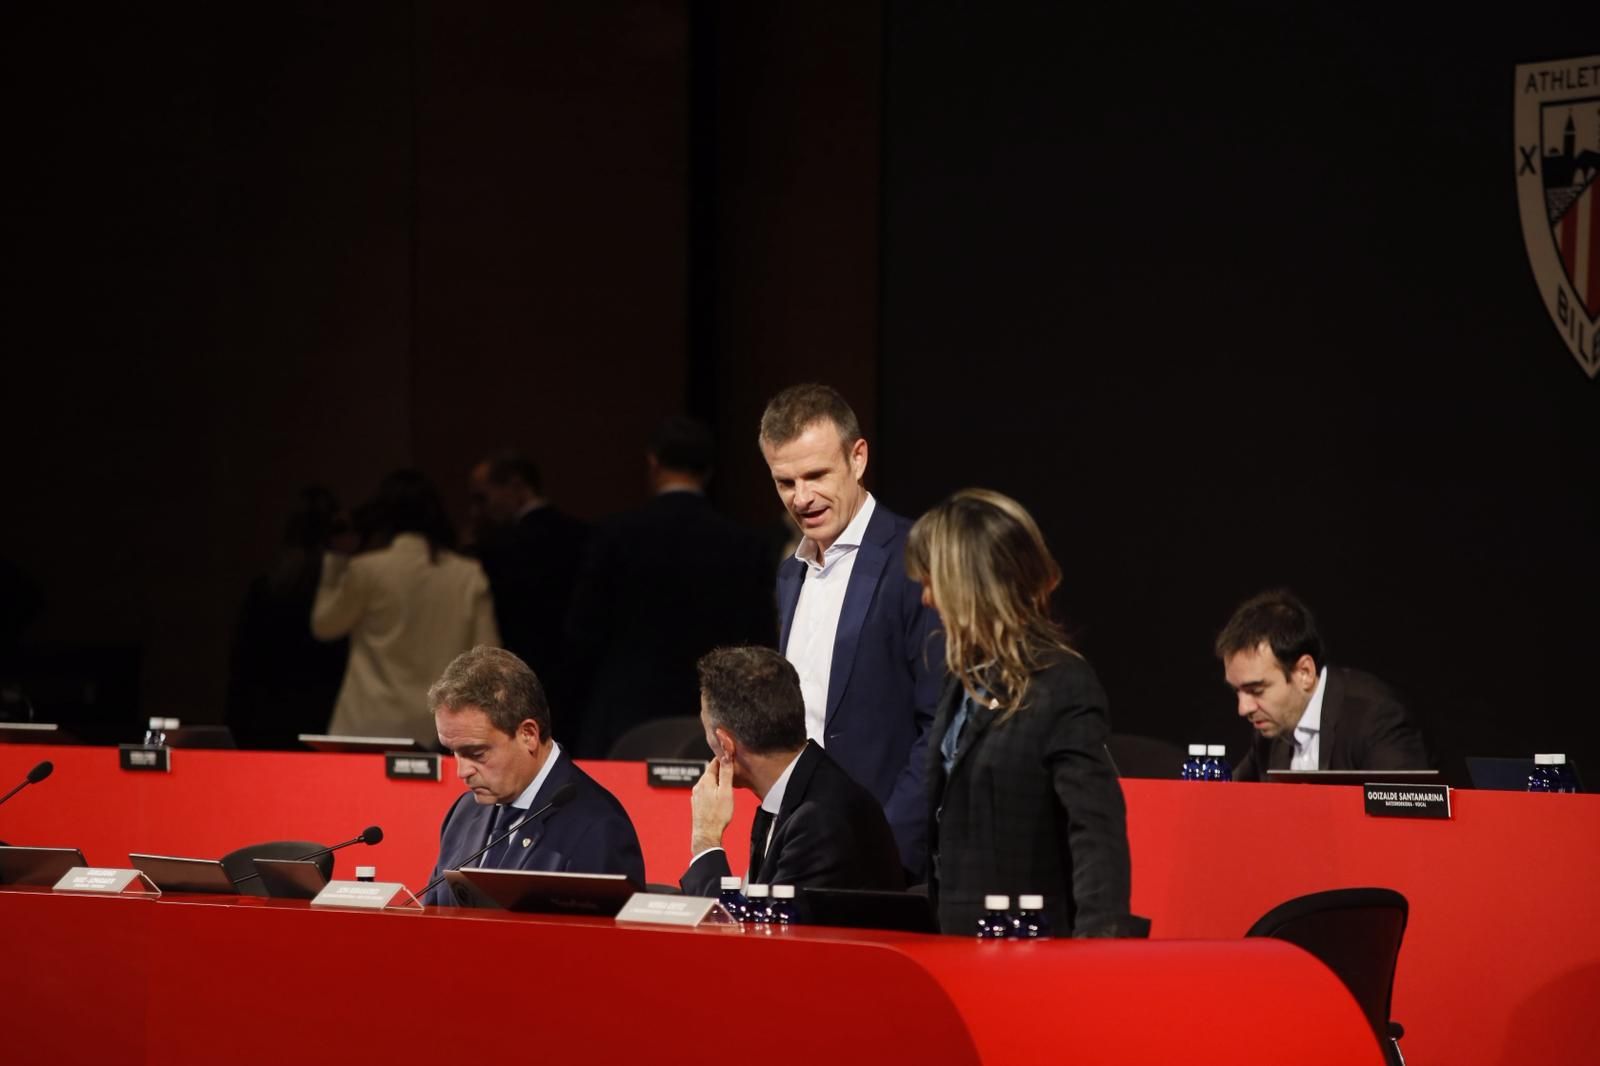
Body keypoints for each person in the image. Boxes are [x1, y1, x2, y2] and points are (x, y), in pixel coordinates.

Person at [907, 488, 1134, 937]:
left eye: (933, 581)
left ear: (970, 585)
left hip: (1027, 948)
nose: (926, 598)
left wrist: (1100, 958)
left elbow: (1096, 836)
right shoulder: (959, 678)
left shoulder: (1061, 682)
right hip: (955, 942)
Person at [759, 384, 942, 881]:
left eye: (817, 475)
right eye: (785, 482)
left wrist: (889, 849)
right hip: (802, 854)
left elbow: (939, 727)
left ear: (858, 458)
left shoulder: (916, 560)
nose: (801, 498)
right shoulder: (790, 574)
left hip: (888, 860)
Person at [566, 416, 776, 756]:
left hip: (625, 712)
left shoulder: (615, 536)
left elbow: (583, 630)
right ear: (708, 470)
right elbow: (760, 640)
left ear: (653, 462)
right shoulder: (745, 545)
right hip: (715, 715)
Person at [420, 645, 645, 907]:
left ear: (528, 734)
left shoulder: (598, 828)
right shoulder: (464, 812)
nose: (462, 771)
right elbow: (434, 916)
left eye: (477, 753)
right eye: (454, 752)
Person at [680, 646, 904, 897]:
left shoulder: (819, 822)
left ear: (726, 745)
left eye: (707, 731)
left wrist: (706, 841)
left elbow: (748, 924)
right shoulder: (801, 793)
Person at [311, 469, 500, 747]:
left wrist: (335, 560)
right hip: (438, 725)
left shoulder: (368, 570)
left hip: (367, 723)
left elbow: (324, 625)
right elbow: (488, 654)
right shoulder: (468, 574)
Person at [1217, 589, 1428, 781]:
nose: (1243, 708)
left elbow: (1402, 809)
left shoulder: (1375, 718)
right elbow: (1229, 798)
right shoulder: (1270, 731)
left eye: (1256, 690)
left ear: (1305, 672)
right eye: (1237, 691)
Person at [225, 485, 350, 749]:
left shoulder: (267, 587)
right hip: (320, 713)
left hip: (266, 715)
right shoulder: (336, 592)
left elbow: (243, 663)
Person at [467, 451, 588, 713]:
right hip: (579, 674)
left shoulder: (499, 547)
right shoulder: (584, 535)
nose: (479, 510)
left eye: (483, 497)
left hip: (519, 673)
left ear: (516, 486)